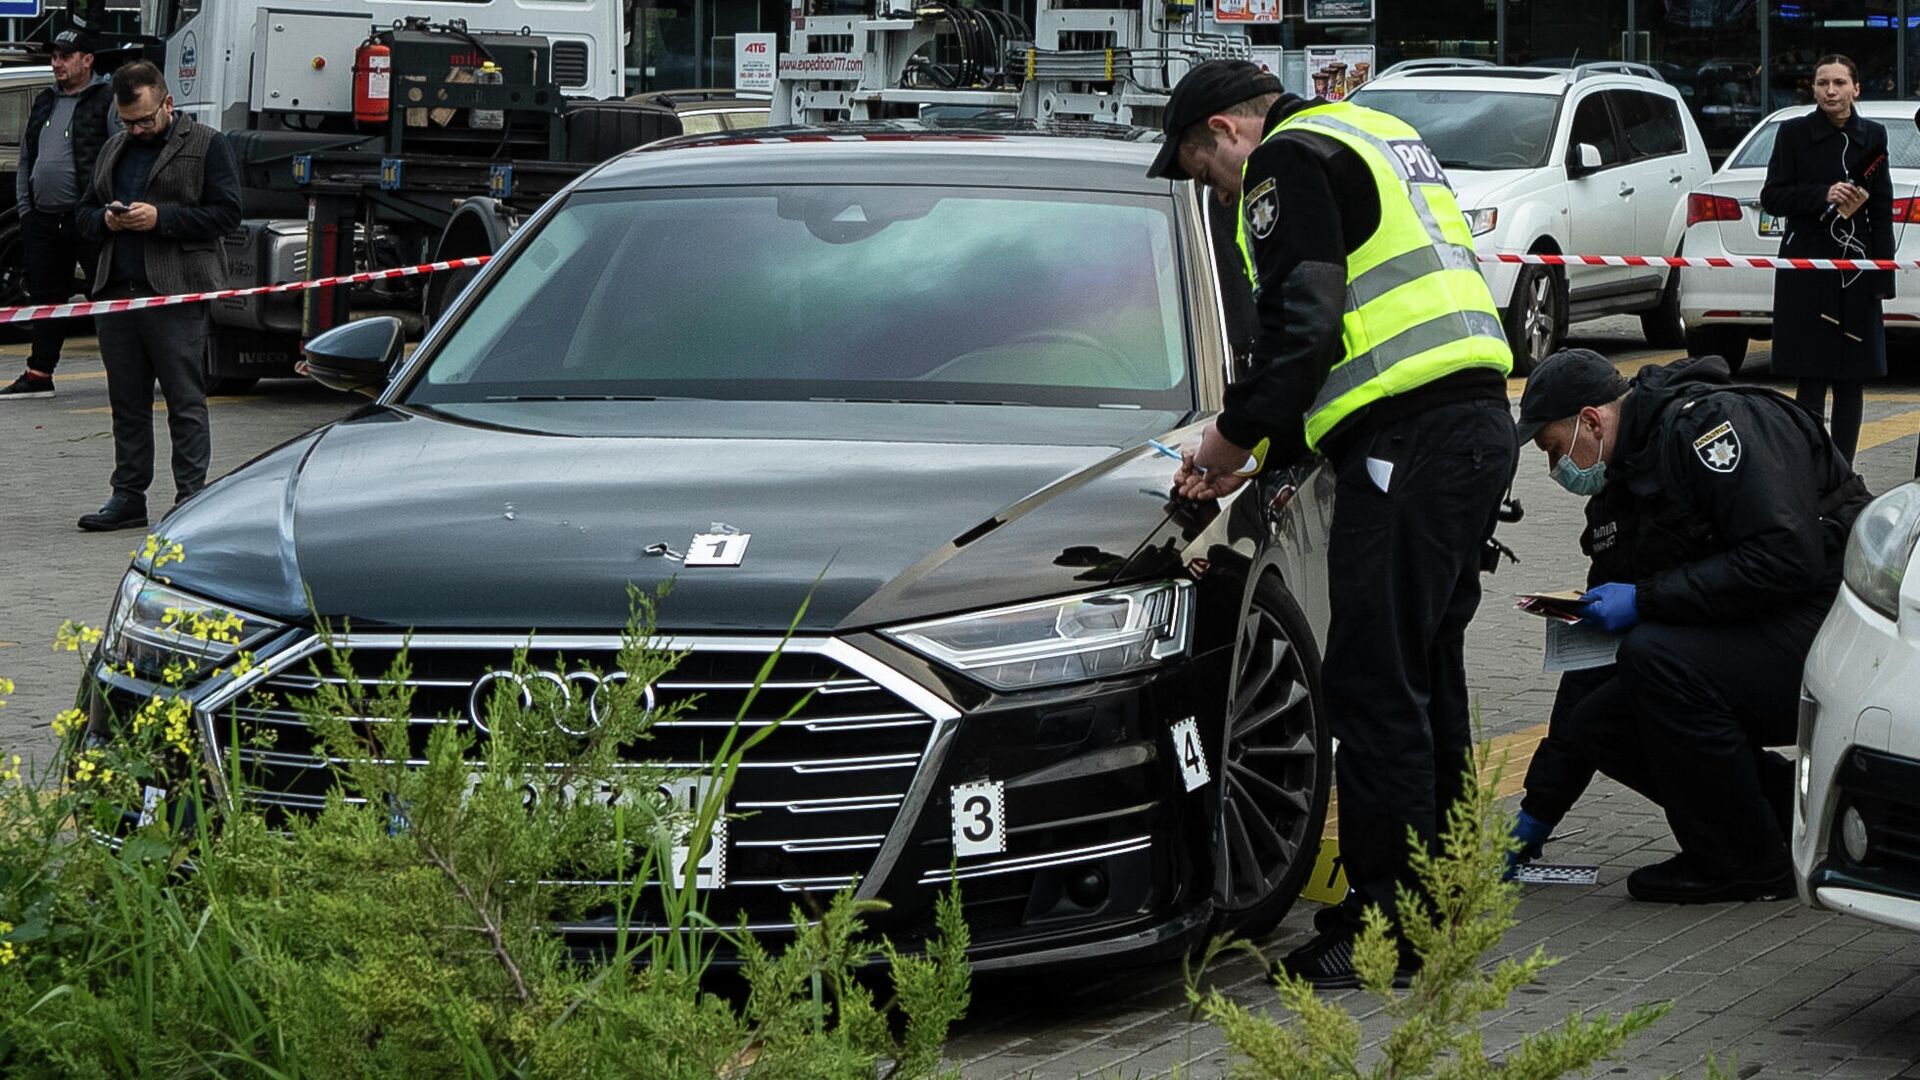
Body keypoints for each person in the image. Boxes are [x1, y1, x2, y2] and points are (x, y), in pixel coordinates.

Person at [1147, 59, 1516, 987]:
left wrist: (1223, 450)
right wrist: (1271, 451)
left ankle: (1386, 927)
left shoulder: (1285, 158)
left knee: (1374, 682)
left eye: (1204, 172)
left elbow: (1301, 328)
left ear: (1227, 133)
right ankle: (1439, 895)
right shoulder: (1378, 133)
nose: (1216, 191)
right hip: (1466, 424)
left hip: (1412, 437)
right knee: (1425, 670)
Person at [1514, 349, 1869, 903]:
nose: (1554, 468)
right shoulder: (1622, 485)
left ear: (1590, 420)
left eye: (1554, 449)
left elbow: (1785, 557)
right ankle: (1779, 821)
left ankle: (1745, 864)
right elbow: (1591, 653)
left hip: (1837, 633)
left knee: (1655, 659)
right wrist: (1537, 811)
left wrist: (1648, 599)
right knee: (1597, 722)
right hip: (1761, 630)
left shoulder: (1712, 429)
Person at [74, 61, 241, 532]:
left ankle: (191, 497)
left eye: (146, 119)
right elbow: (82, 212)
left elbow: (228, 214)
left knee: (185, 401)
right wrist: (106, 220)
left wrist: (161, 219)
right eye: (128, 121)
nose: (138, 128)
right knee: (127, 404)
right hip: (117, 294)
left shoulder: (208, 144)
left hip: (175, 294)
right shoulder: (114, 148)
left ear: (167, 102)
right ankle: (128, 496)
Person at [1761, 53, 1893, 464]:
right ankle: (1811, 467)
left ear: (1856, 88)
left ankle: (1844, 470)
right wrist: (1823, 194)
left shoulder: (1873, 136)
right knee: (1812, 377)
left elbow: (1883, 206)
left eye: (1839, 83)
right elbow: (1772, 197)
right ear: (1813, 89)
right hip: (1808, 269)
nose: (1830, 91)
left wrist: (1881, 276)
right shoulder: (1793, 134)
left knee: (1852, 379)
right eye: (1823, 83)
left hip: (1857, 270)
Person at [0, 28, 116, 400]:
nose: (57, 63)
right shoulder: (46, 100)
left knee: (108, 295)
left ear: (87, 59)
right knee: (45, 301)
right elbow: (25, 157)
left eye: (65, 56)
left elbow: (120, 154)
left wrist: (104, 206)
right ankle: (38, 375)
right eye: (54, 57)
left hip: (87, 217)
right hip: (43, 219)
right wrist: (26, 208)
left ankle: (125, 374)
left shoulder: (106, 99)